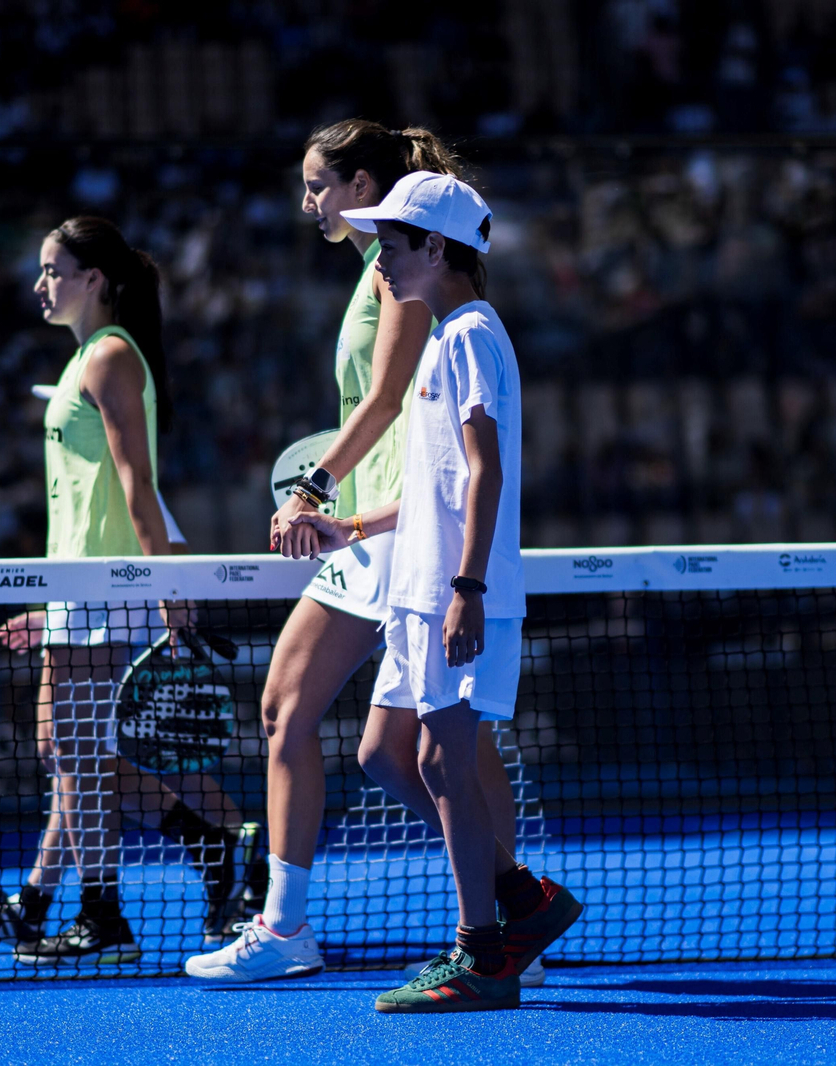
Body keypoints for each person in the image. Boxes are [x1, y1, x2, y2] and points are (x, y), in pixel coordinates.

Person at [184, 121, 538, 984]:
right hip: (391, 528)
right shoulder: (391, 271)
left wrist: (316, 489)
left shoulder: (424, 297)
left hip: (416, 543)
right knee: (397, 743)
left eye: (319, 186)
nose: (309, 204)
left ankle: (482, 930)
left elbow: (385, 406)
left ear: (365, 185)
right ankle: (502, 917)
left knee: (428, 741)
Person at [290, 172, 581, 1012]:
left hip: (456, 591)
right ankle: (521, 904)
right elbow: (435, 486)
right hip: (422, 587)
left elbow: (487, 471)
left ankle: (482, 954)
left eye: (393, 238)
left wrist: (467, 587)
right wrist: (354, 527)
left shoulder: (468, 335)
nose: (379, 253)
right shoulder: (446, 336)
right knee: (395, 754)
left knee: (443, 761)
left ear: (438, 249)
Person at [0, 217, 256, 964]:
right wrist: (48, 601)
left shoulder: (112, 356)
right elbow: (87, 501)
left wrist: (166, 586)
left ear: (95, 280)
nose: (39, 285)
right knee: (70, 752)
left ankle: (105, 918)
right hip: (77, 587)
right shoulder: (89, 356)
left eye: (53, 270)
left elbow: (136, 488)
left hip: (107, 587)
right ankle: (192, 848)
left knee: (71, 754)